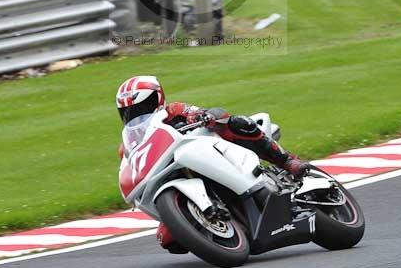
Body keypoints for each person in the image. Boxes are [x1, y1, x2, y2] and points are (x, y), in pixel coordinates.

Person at [116, 75, 310, 252]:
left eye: (143, 106)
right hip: (175, 170)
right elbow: (128, 162)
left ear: (157, 99)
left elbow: (201, 112)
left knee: (237, 123)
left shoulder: (173, 111)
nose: (136, 114)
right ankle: (219, 225)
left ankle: (287, 161)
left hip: (211, 149)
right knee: (169, 240)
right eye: (129, 111)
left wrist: (204, 117)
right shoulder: (130, 144)